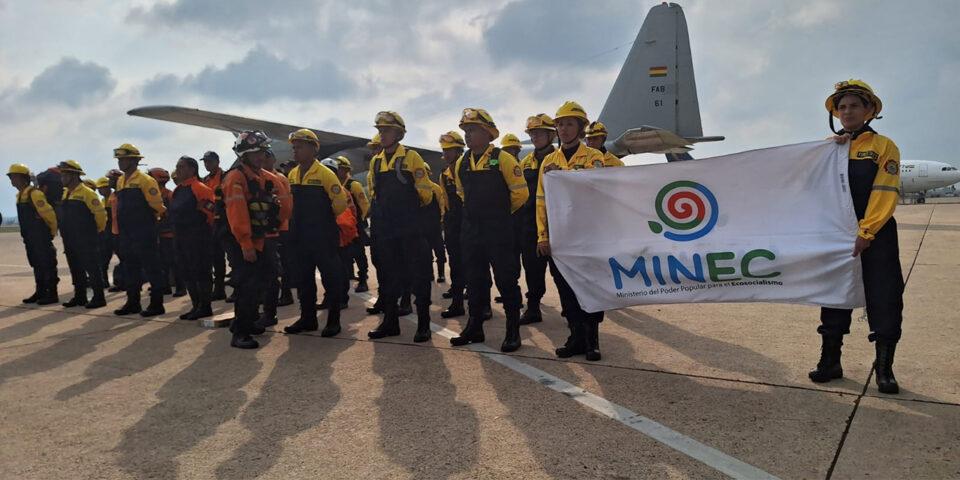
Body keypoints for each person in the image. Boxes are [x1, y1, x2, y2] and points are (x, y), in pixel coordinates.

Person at [809, 79, 904, 394]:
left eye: (854, 106)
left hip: (875, 234)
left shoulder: (883, 147)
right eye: (842, 107)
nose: (847, 112)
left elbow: (884, 191)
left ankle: (884, 370)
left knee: (885, 295)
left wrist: (867, 231)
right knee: (834, 293)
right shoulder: (829, 148)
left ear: (869, 111)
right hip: (838, 234)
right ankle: (830, 362)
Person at [449, 108, 529, 352]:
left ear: (486, 133)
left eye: (472, 130)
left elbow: (521, 194)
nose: (467, 135)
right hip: (472, 231)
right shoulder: (463, 162)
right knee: (474, 281)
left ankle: (513, 331)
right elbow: (462, 193)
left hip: (498, 230)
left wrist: (499, 215)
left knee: (506, 280)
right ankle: (474, 327)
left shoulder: (502, 158)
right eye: (466, 131)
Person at [536, 101, 607, 361]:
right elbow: (540, 200)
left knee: (588, 287)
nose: (564, 129)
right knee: (565, 287)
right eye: (560, 124)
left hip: (586, 235)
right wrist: (543, 235)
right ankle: (574, 337)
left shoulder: (594, 158)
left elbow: (596, 193)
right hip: (559, 236)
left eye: (569, 124)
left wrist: (564, 176)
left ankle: (592, 340)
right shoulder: (549, 162)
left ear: (580, 128)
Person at [366, 111, 434, 342]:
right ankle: (390, 322)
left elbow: (425, 193)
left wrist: (409, 214)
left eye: (386, 130)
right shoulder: (376, 162)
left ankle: (424, 324)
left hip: (410, 228)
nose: (382, 134)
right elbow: (375, 193)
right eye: (380, 130)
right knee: (388, 276)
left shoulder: (411, 157)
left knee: (419, 275)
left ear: (398, 133)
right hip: (387, 230)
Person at [283, 129, 349, 336]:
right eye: (294, 148)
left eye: (299, 147)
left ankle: (333, 321)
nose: (295, 152)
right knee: (304, 279)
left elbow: (340, 203)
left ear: (313, 148)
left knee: (331, 277)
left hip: (322, 235)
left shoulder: (325, 174)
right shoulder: (293, 174)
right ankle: (307, 318)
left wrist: (323, 220)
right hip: (300, 236)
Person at [223, 131, 282, 349]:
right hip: (244, 243)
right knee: (247, 286)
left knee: (262, 282)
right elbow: (237, 214)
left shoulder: (260, 177)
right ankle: (240, 332)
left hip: (260, 239)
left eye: (262, 152)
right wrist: (246, 244)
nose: (260, 156)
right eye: (255, 153)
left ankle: (248, 322)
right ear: (244, 155)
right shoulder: (236, 178)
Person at [112, 143, 167, 317]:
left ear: (134, 160)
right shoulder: (121, 181)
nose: (120, 162)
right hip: (127, 232)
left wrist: (149, 224)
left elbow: (158, 206)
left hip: (144, 231)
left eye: (124, 159)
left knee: (152, 268)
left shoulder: (145, 180)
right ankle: (133, 302)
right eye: (119, 159)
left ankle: (157, 304)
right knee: (130, 268)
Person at [517, 114, 557, 325]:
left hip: (559, 225)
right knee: (532, 270)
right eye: (532, 133)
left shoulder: (559, 160)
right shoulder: (525, 164)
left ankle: (573, 312)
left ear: (551, 135)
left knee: (562, 273)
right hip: (531, 226)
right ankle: (533, 308)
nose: (535, 137)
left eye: (540, 132)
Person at [170, 156, 216, 320]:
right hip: (180, 237)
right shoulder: (178, 190)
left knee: (201, 272)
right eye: (177, 166)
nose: (178, 169)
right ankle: (196, 305)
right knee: (187, 272)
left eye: (181, 166)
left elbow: (211, 212)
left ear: (192, 169)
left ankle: (205, 306)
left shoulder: (200, 188)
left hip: (198, 237)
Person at [58, 160, 108, 309]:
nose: (62, 178)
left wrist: (96, 232)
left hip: (85, 238)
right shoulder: (67, 193)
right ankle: (80, 296)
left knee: (92, 268)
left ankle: (99, 298)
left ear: (73, 175)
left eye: (64, 174)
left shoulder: (87, 192)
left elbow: (100, 215)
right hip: (70, 238)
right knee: (75, 268)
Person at [7, 164, 59, 305]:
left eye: (14, 177)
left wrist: (51, 232)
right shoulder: (20, 195)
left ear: (23, 178)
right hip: (29, 237)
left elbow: (49, 215)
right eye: (11, 177)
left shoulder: (34, 194)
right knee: (36, 264)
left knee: (47, 264)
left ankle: (52, 294)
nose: (12, 180)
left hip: (41, 237)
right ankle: (40, 291)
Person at [254, 148, 294, 327]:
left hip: (281, 228)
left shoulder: (279, 179)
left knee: (282, 264)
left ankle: (286, 294)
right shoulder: (259, 178)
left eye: (267, 157)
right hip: (268, 229)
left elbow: (286, 205)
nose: (264, 161)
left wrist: (277, 223)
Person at [438, 131, 467, 316]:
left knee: (475, 266)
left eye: (450, 150)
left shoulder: (466, 168)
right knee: (456, 265)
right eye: (444, 150)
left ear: (459, 150)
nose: (446, 154)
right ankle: (457, 303)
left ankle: (483, 306)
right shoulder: (444, 175)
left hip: (469, 223)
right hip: (452, 225)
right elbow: (445, 202)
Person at [336, 155, 371, 293]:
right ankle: (348, 276)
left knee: (359, 254)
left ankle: (363, 279)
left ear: (345, 170)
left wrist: (358, 221)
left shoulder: (353, 185)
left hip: (355, 226)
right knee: (344, 254)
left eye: (339, 168)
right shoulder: (335, 185)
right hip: (342, 227)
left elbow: (364, 204)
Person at [149, 167, 185, 297]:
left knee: (175, 262)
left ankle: (181, 287)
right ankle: (165, 286)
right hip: (158, 234)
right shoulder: (153, 196)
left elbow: (174, 215)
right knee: (162, 262)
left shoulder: (169, 195)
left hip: (170, 234)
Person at [202, 150, 230, 301]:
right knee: (216, 257)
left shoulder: (225, 176)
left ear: (217, 162)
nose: (207, 164)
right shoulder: (205, 179)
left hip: (225, 221)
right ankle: (219, 289)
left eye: (210, 161)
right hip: (211, 223)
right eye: (205, 162)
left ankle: (236, 289)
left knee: (232, 257)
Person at [423, 163, 448, 283]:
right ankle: (429, 274)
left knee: (440, 251)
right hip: (421, 228)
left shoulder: (436, 188)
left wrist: (441, 220)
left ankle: (441, 274)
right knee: (425, 253)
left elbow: (442, 205)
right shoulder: (415, 189)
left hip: (435, 226)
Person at [94, 176, 114, 288]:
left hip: (116, 233)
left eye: (103, 188)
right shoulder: (101, 201)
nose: (101, 190)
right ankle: (104, 281)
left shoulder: (115, 198)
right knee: (103, 260)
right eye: (99, 189)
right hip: (106, 234)